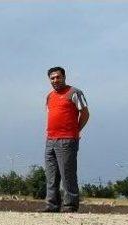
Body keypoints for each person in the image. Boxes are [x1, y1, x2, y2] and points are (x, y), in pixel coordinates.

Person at [43, 67, 89, 213]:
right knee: (51, 175)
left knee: (67, 174)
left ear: (64, 77)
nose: (55, 80)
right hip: (50, 140)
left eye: (58, 77)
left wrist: (76, 130)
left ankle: (70, 206)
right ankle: (52, 205)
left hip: (67, 140)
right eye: (52, 78)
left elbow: (85, 113)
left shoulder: (75, 93)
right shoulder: (50, 96)